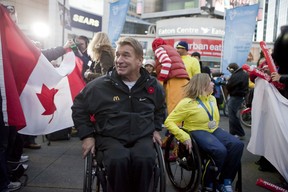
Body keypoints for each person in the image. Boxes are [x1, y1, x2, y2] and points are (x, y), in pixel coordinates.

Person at [72, 37, 166, 192]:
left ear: (139, 61)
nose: (119, 60)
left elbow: (160, 107)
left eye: (126, 55)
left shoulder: (152, 85)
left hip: (142, 136)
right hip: (110, 137)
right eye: (118, 55)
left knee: (145, 159)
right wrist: (87, 136)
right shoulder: (100, 86)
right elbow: (79, 108)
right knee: (118, 160)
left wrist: (156, 128)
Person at [164, 73, 244, 192]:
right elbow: (169, 121)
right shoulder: (187, 102)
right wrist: (184, 136)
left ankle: (225, 181)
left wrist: (216, 127)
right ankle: (208, 183)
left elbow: (214, 118)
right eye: (210, 81)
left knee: (237, 145)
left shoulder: (211, 98)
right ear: (202, 85)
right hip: (196, 130)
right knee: (220, 151)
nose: (213, 84)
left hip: (213, 129)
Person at [152, 37, 189, 114]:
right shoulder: (171, 49)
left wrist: (161, 79)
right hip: (183, 80)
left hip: (174, 81)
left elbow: (166, 62)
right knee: (182, 108)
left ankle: (174, 126)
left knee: (174, 108)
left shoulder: (159, 49)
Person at [226, 63, 249, 139]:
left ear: (232, 69)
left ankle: (239, 133)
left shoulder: (236, 75)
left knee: (232, 116)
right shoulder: (243, 74)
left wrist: (228, 82)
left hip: (235, 96)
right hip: (240, 96)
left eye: (229, 70)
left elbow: (229, 85)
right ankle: (233, 133)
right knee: (233, 115)